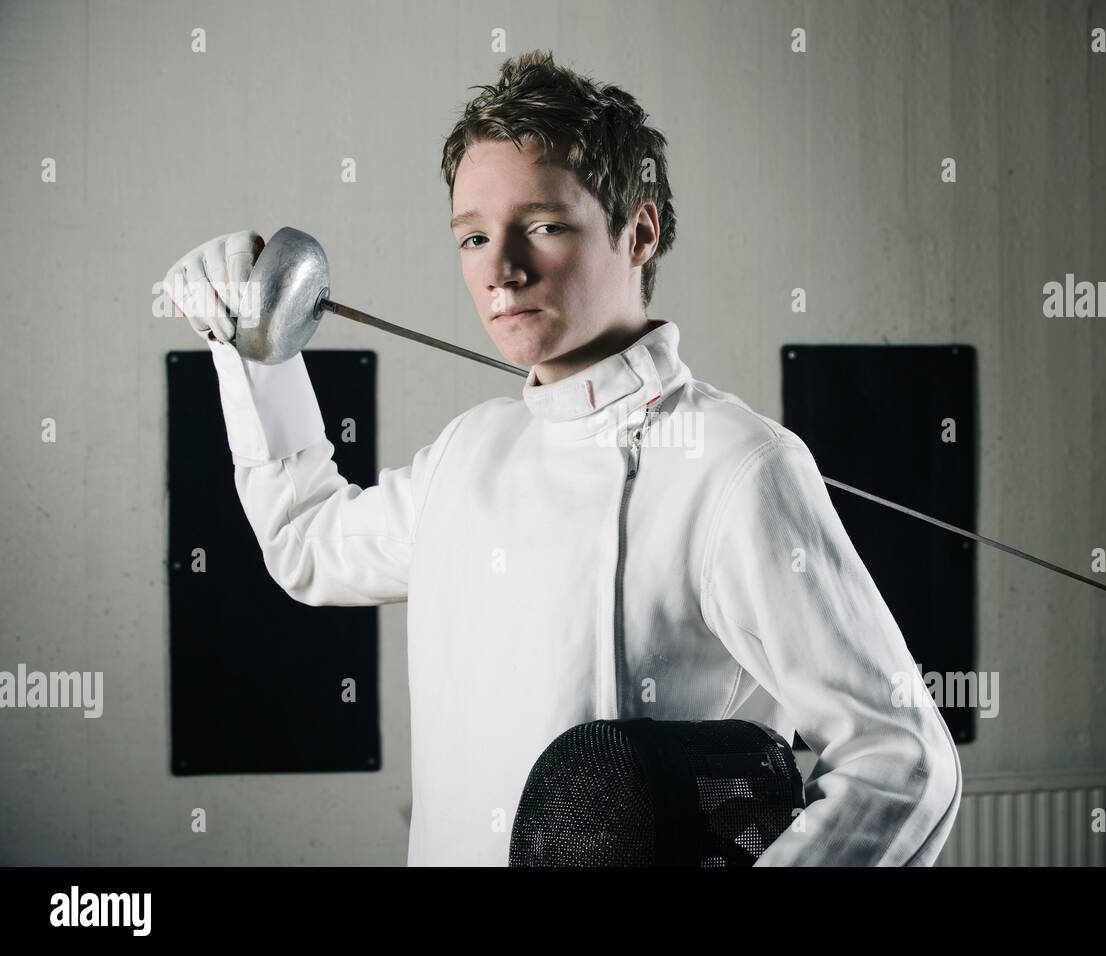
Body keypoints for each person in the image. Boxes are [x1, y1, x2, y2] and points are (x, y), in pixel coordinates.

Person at [162, 49, 961, 866]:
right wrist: (248, 345)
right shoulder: (470, 452)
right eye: (473, 237)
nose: (501, 272)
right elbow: (307, 545)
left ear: (638, 230)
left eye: (542, 226)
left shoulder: (734, 465)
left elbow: (901, 763)